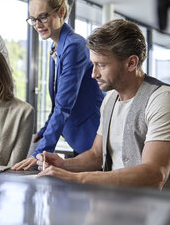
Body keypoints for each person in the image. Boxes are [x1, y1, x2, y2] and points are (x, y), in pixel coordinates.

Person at [36, 19, 170, 189]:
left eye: (101, 65)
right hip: (114, 204)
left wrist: (76, 178)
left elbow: (154, 174)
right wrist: (63, 165)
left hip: (152, 211)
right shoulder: (110, 99)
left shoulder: (161, 100)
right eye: (93, 64)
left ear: (131, 63)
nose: (94, 74)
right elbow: (96, 155)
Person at [12, 0, 104, 170]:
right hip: (80, 140)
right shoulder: (56, 46)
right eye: (33, 19)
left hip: (92, 138)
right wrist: (43, 131)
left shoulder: (74, 46)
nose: (37, 24)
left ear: (61, 12)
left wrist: (40, 152)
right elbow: (58, 103)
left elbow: (64, 105)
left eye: (43, 17)